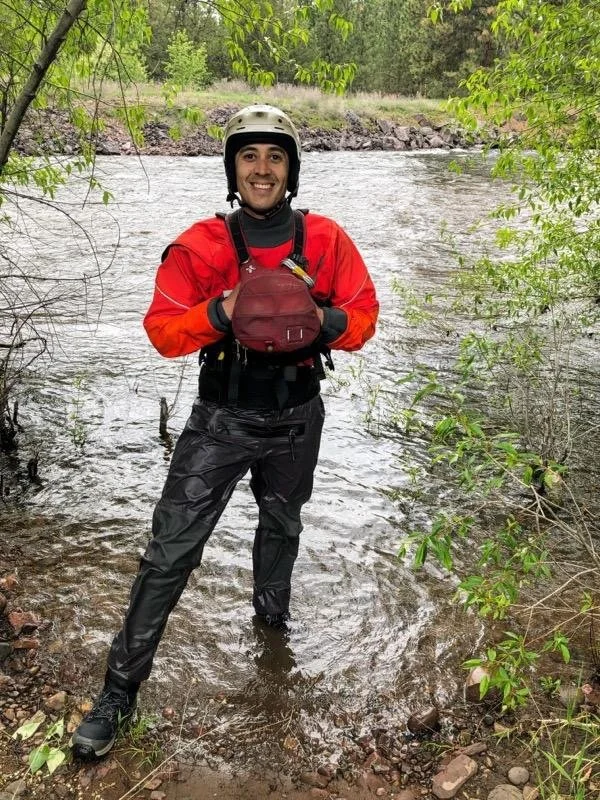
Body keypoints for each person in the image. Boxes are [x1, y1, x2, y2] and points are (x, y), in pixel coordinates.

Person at [72, 104, 379, 760]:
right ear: (232, 169)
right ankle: (119, 692)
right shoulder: (201, 246)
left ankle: (272, 637)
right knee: (170, 551)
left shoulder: (325, 240)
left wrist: (316, 318)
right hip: (221, 419)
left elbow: (364, 317)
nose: (261, 168)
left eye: (274, 156)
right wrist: (223, 309)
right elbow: (161, 332)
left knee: (282, 528)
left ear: (291, 169)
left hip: (298, 415)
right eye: (249, 156)